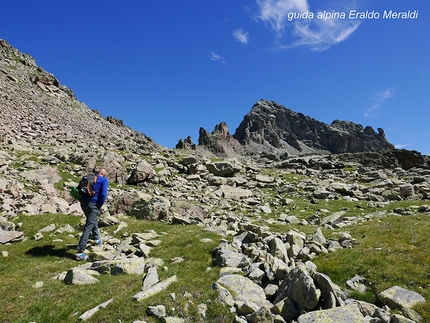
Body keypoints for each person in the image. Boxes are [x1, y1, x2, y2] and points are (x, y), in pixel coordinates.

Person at [76, 168, 109, 261]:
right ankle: (80, 251)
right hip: (93, 204)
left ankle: (97, 238)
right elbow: (103, 194)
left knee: (92, 219)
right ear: (104, 174)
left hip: (83, 203)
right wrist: (99, 205)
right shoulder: (104, 180)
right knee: (89, 225)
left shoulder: (88, 178)